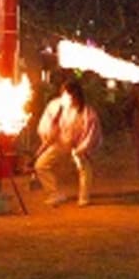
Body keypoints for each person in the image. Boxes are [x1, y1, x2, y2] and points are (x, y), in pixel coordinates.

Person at [33, 78, 103, 207]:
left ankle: (84, 197)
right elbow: (46, 125)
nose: (67, 98)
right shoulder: (54, 106)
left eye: (70, 95)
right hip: (59, 143)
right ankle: (55, 194)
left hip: (79, 145)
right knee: (40, 165)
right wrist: (48, 135)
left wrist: (80, 150)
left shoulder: (87, 112)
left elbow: (91, 134)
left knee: (83, 168)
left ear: (77, 96)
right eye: (65, 94)